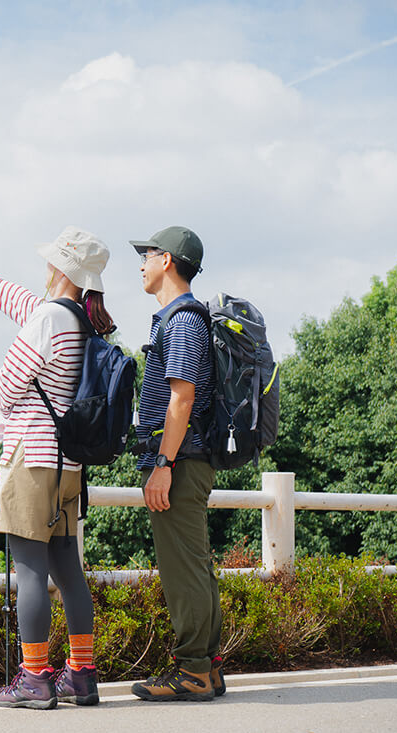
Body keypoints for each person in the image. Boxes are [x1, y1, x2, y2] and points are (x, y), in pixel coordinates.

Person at [0, 226, 115, 710]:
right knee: (68, 571)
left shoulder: (49, 318)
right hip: (68, 466)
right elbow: (17, 300)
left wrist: (6, 414)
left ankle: (34, 678)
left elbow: (9, 383)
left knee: (29, 572)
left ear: (60, 268)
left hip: (32, 459)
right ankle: (81, 676)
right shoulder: (81, 319)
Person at [128, 226, 225, 702]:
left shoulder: (183, 320)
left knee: (183, 569)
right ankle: (207, 667)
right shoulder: (179, 318)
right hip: (184, 458)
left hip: (180, 460)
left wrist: (163, 463)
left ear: (166, 260)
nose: (141, 264)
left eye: (146, 255)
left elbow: (181, 398)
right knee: (195, 565)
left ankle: (192, 671)